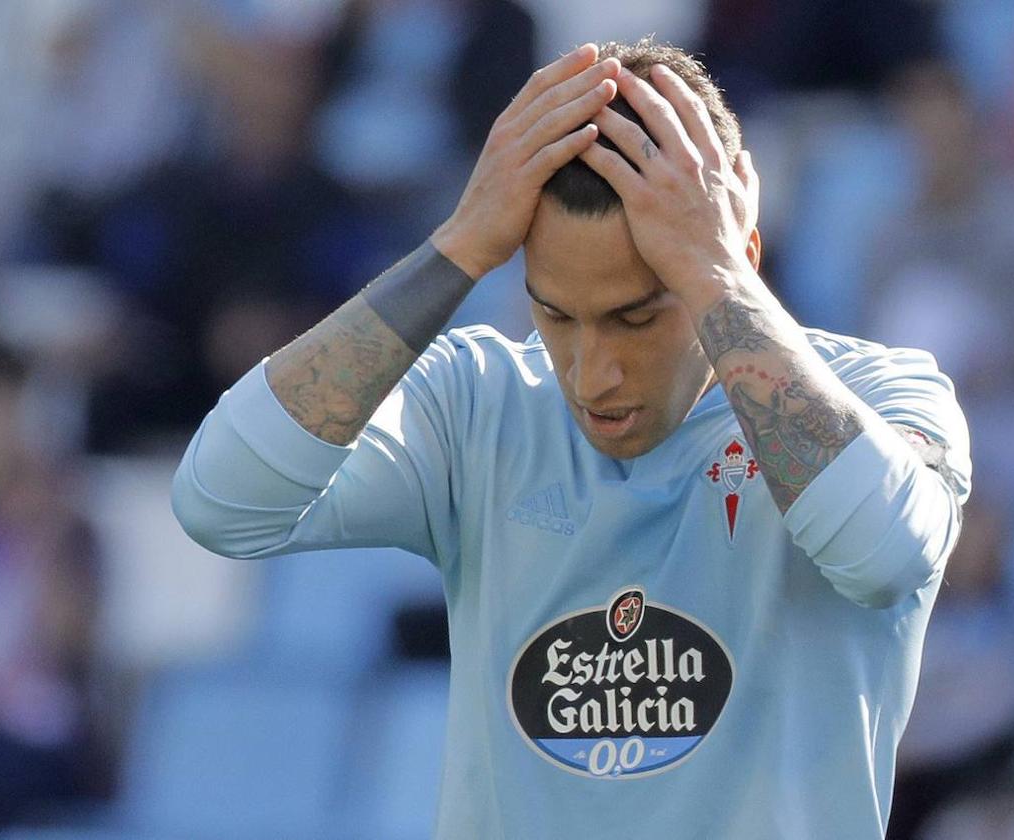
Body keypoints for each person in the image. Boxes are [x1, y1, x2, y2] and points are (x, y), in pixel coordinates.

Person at [172, 38, 970, 839]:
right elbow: (223, 501)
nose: (593, 376)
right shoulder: (476, 401)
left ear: (737, 252)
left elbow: (882, 551)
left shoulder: (885, 395)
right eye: (555, 314)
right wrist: (456, 250)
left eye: (635, 317)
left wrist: (721, 281)